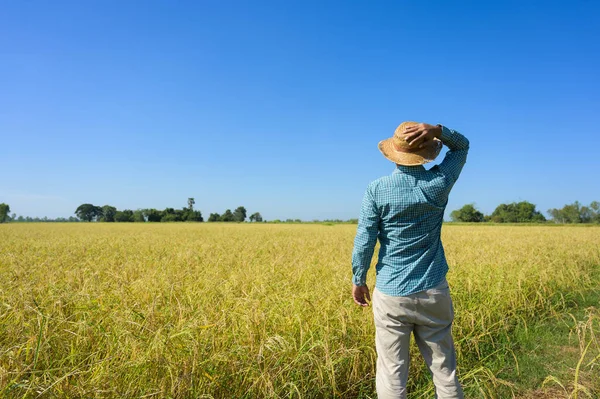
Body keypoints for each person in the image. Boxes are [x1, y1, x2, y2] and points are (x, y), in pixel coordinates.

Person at [351, 121, 469, 399]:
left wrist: (359, 279)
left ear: (394, 151)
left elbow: (365, 239)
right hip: (433, 291)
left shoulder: (376, 189)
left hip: (391, 295)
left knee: (392, 373)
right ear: (427, 152)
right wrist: (438, 129)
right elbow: (462, 146)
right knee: (444, 370)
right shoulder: (440, 183)